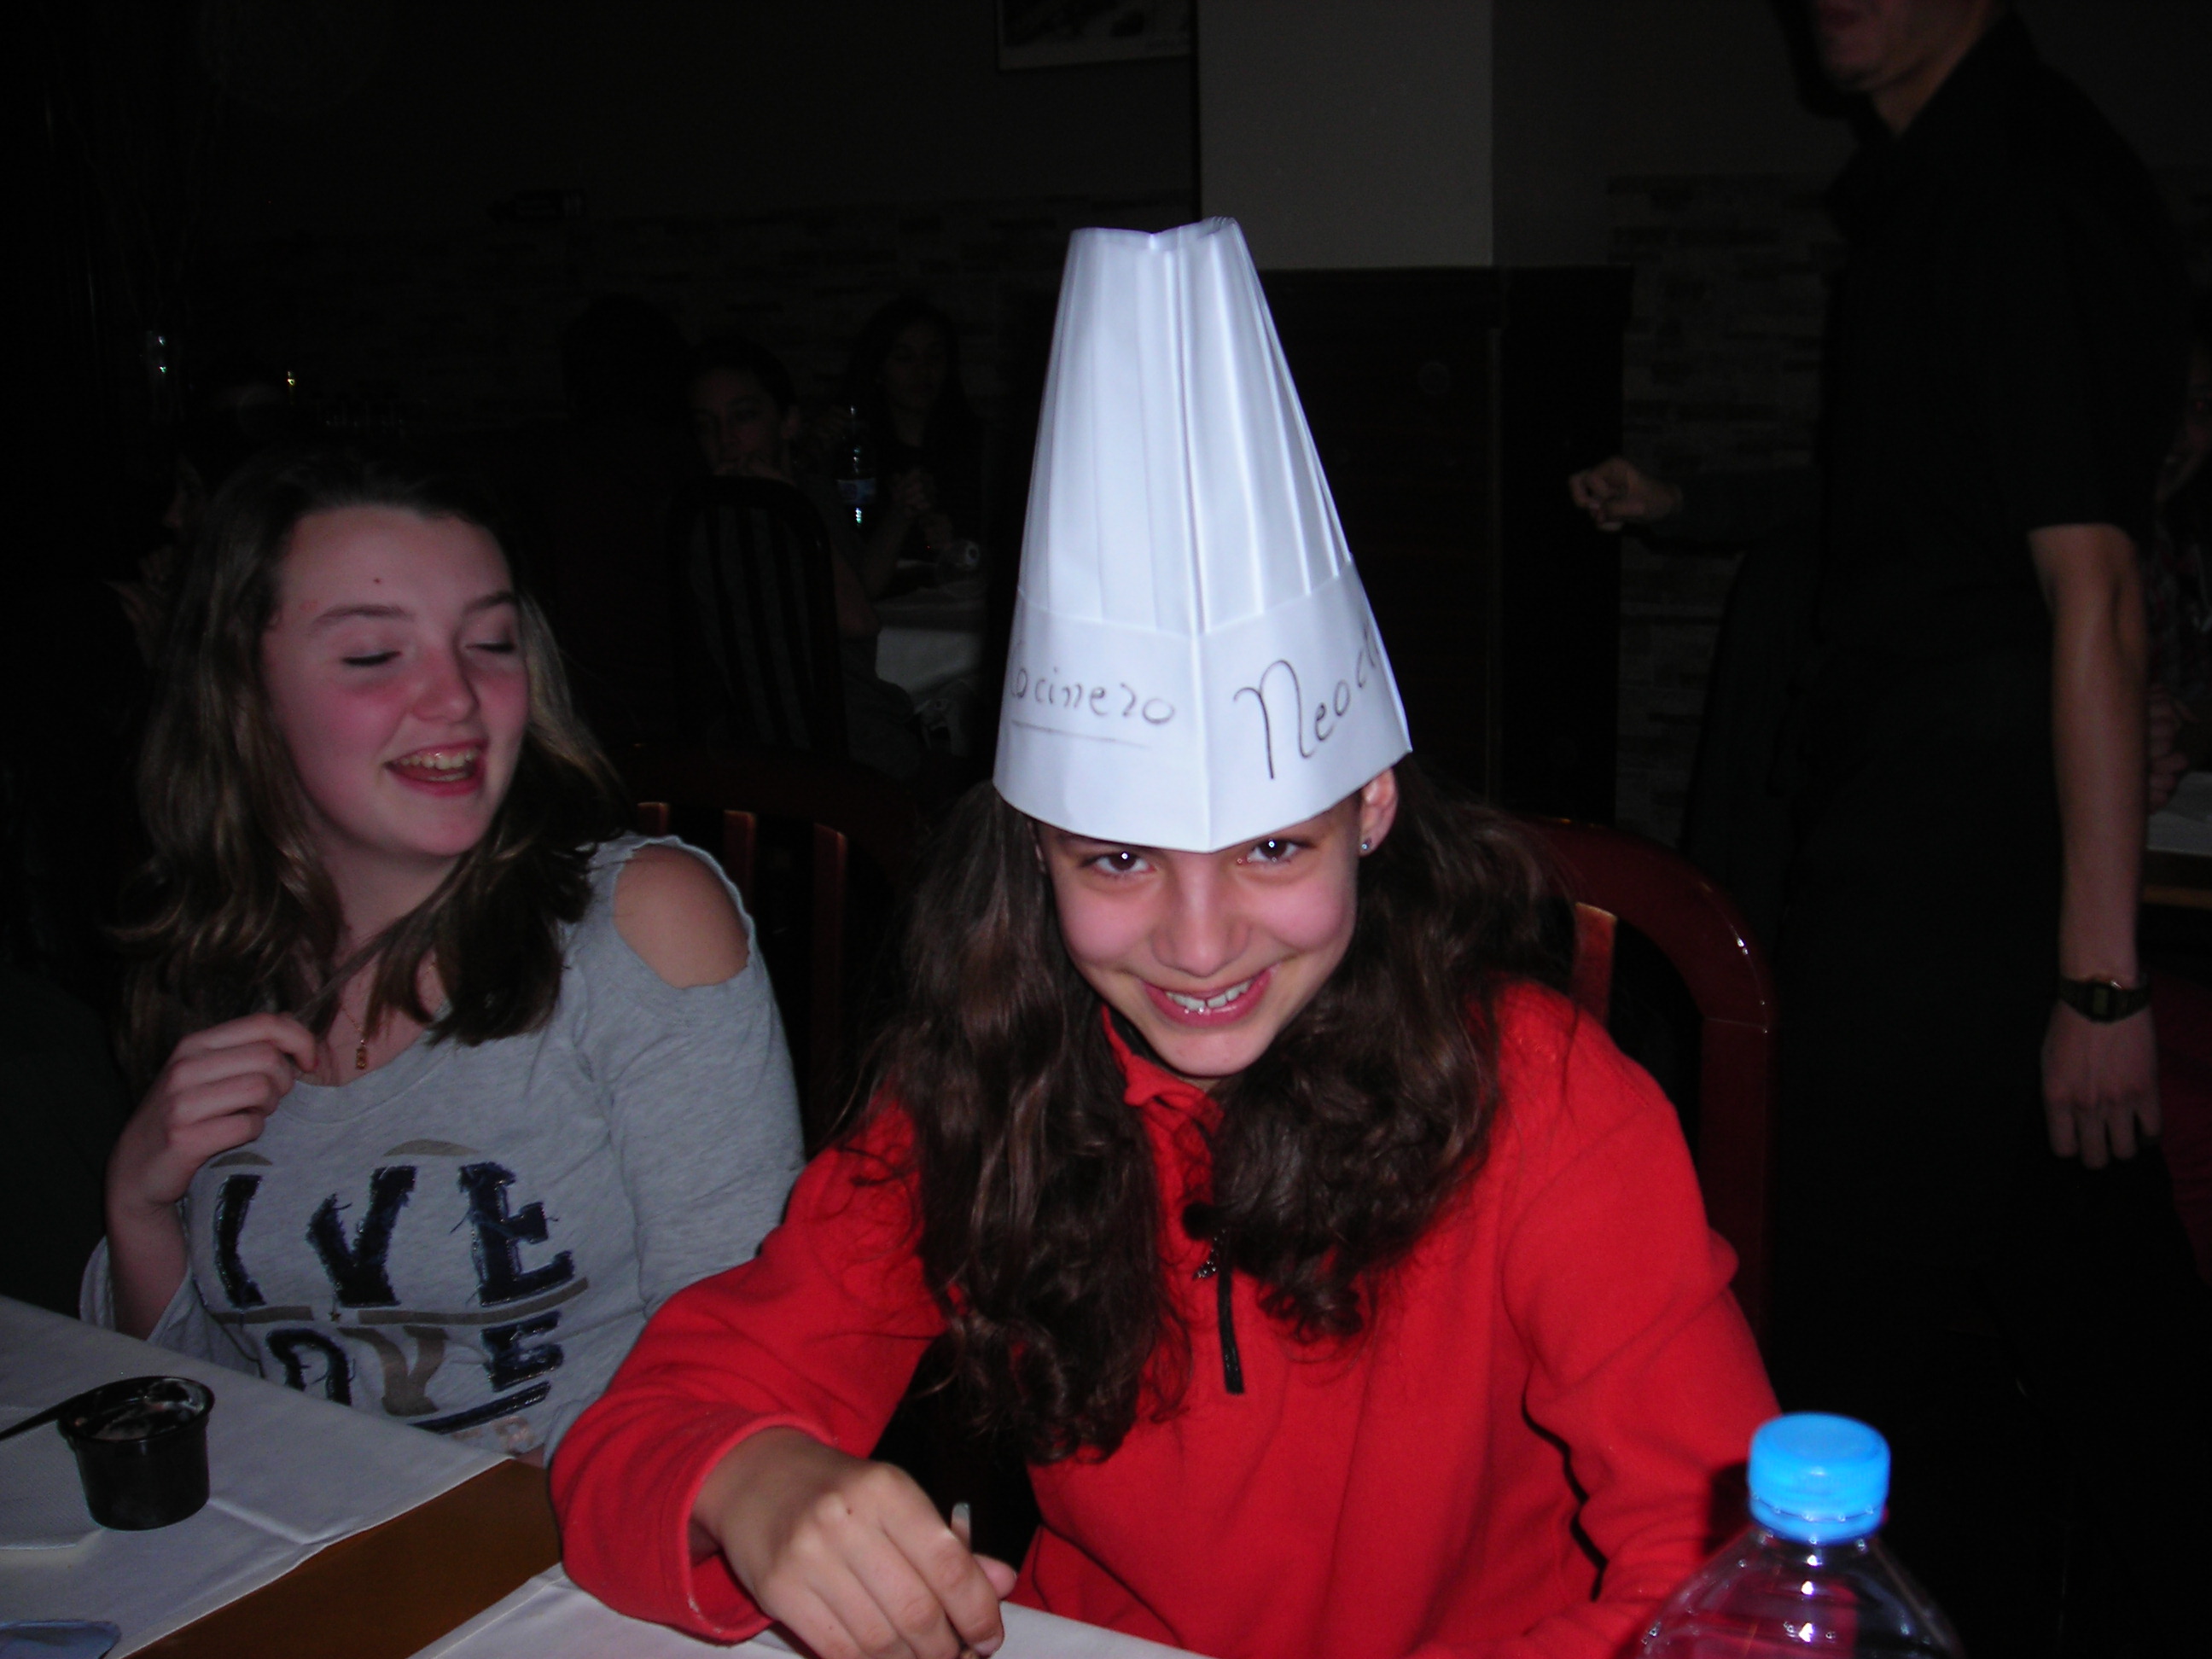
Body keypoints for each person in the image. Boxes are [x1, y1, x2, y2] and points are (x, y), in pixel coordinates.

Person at [555, 219, 1774, 1659]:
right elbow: (637, 1435)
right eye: (1119, 858)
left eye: (1272, 847)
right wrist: (752, 1476)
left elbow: (1727, 1570)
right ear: (1035, 845)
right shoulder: (984, 1090)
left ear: (1371, 808)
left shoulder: (1543, 1101)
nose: (1199, 946)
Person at [84, 443, 806, 1458]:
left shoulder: (637, 924)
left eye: (490, 643)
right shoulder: (208, 961)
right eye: (375, 656)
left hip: (572, 1535)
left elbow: (749, 1377)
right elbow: (202, 1423)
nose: (457, 698)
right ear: (243, 691)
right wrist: (139, 1206)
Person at [841, 295, 988, 582]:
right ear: (878, 368)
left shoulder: (980, 449)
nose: (922, 371)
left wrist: (956, 547)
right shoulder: (855, 453)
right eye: (904, 358)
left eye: (933, 357)